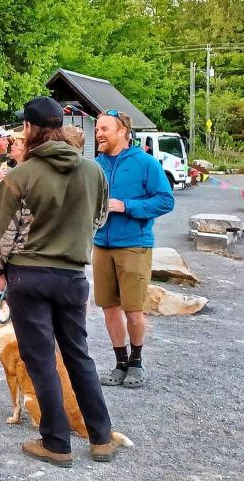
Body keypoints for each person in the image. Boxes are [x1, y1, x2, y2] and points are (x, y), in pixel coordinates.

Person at [0, 96, 119, 467]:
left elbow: (3, 236)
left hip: (29, 277)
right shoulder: (93, 171)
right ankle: (101, 438)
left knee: (42, 360)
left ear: (29, 129)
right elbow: (99, 219)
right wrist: (72, 243)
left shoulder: (20, 176)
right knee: (79, 355)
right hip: (73, 275)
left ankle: (57, 443)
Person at [93, 110, 174, 390]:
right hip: (101, 244)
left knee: (133, 310)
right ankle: (120, 363)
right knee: (109, 308)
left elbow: (166, 201)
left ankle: (137, 361)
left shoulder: (146, 164)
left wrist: (126, 206)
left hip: (134, 245)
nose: (99, 134)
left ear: (123, 131)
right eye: (97, 130)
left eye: (104, 129)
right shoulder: (95, 165)